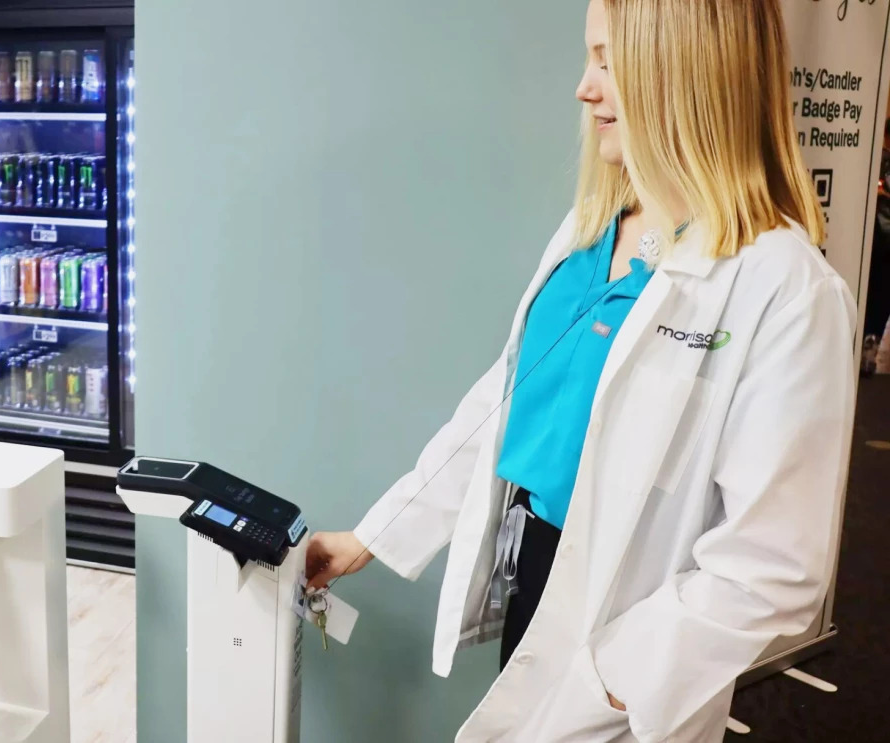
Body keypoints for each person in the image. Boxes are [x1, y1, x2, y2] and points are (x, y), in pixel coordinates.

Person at [305, 0, 857, 740]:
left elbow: (773, 566)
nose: (583, 87)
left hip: (637, 631)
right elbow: (505, 403)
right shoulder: (593, 230)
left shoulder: (783, 287)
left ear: (681, 69)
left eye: (605, 59)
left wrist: (613, 682)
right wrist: (371, 536)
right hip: (539, 567)